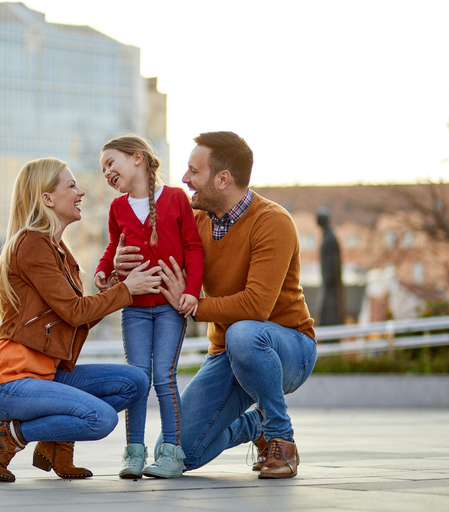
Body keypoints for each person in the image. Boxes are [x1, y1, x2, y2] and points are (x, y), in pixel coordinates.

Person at [113, 131, 317, 479]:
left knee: (244, 333)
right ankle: (255, 427)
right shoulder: (195, 222)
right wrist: (120, 264)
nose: (184, 179)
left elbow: (256, 307)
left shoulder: (272, 221)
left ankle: (282, 440)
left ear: (223, 179)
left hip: (286, 348)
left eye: (194, 171)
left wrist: (191, 305)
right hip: (227, 353)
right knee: (180, 453)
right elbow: (157, 262)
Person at [0, 157, 161, 483]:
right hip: (10, 383)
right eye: (71, 185)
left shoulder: (57, 248)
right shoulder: (32, 244)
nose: (82, 192)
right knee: (100, 419)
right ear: (47, 198)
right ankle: (8, 437)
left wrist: (117, 284)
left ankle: (57, 445)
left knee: (135, 382)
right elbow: (75, 312)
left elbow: (72, 317)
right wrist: (127, 291)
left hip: (46, 375)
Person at [94, 135, 204, 479]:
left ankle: (172, 453)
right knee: (138, 379)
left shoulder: (175, 198)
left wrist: (192, 292)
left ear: (137, 158)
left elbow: (194, 247)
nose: (106, 172)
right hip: (135, 309)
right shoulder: (117, 209)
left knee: (164, 378)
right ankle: (134, 453)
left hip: (171, 308)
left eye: (111, 163)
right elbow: (114, 245)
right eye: (102, 169)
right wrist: (103, 270)